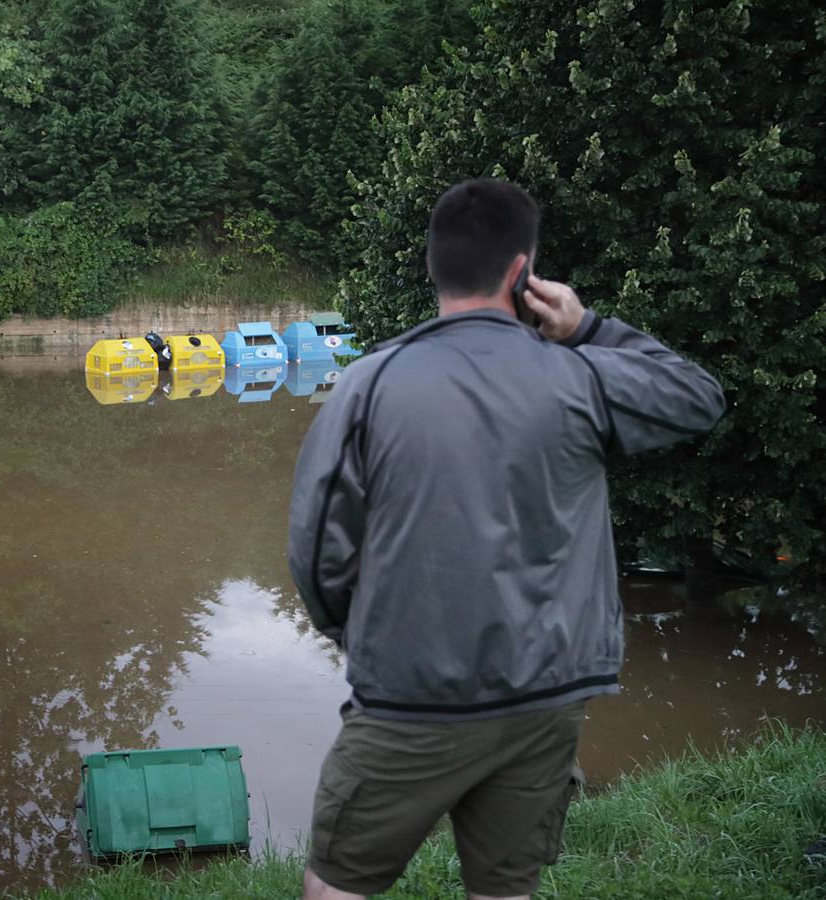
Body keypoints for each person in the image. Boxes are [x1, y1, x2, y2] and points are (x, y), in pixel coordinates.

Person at [287, 179, 725, 899]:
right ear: (523, 273)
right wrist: (586, 328)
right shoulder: (581, 377)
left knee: (338, 885)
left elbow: (316, 543)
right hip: (546, 698)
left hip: (410, 700)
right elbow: (697, 397)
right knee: (504, 892)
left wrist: (351, 629)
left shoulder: (368, 383)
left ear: (432, 265)